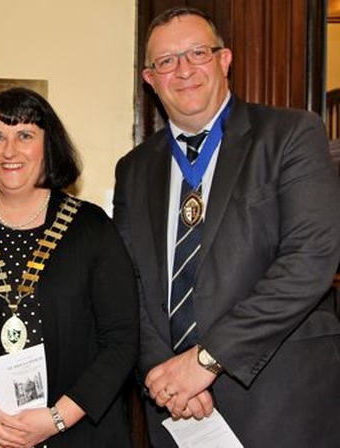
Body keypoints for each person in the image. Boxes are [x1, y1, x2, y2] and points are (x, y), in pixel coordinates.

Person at [113, 6, 340, 448]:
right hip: (178, 409)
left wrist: (205, 360)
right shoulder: (134, 169)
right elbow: (130, 283)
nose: (183, 70)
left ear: (225, 59)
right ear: (150, 79)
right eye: (166, 61)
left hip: (283, 402)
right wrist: (165, 374)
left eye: (197, 52)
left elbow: (310, 260)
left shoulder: (291, 134)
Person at [0, 87, 139, 448]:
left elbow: (122, 340)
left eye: (25, 135)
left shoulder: (92, 228)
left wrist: (56, 418)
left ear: (47, 146)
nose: (9, 150)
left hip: (80, 433)